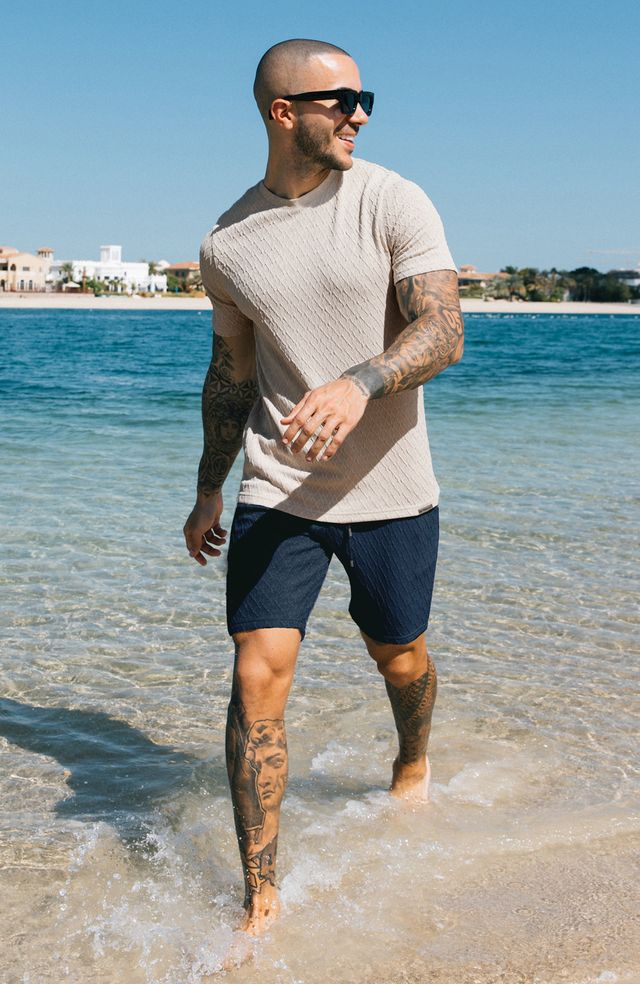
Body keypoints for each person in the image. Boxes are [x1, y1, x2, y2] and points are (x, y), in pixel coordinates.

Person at [183, 38, 463, 936]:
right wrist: (209, 488)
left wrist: (360, 382)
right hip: (279, 490)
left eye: (364, 99)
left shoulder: (392, 199)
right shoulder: (227, 242)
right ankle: (259, 896)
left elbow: (445, 330)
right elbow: (231, 376)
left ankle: (411, 760)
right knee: (255, 676)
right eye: (342, 100)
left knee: (400, 656)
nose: (360, 115)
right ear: (283, 112)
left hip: (393, 490)